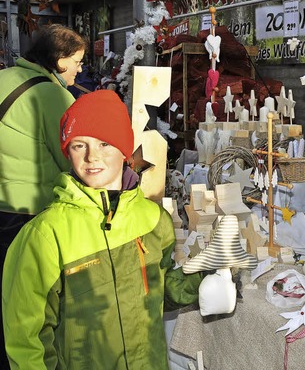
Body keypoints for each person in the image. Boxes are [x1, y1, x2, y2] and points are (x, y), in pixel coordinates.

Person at [2, 90, 202, 368]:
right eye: (78, 145)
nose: (91, 157)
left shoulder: (154, 219)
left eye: (104, 143)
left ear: (124, 150)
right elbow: (27, 336)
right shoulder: (47, 234)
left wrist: (202, 274)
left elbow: (162, 290)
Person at [0, 23, 86, 367]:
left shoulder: (5, 77)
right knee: (30, 303)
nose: (79, 69)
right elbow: (74, 159)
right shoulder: (55, 96)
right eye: (77, 61)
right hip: (30, 213)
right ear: (60, 59)